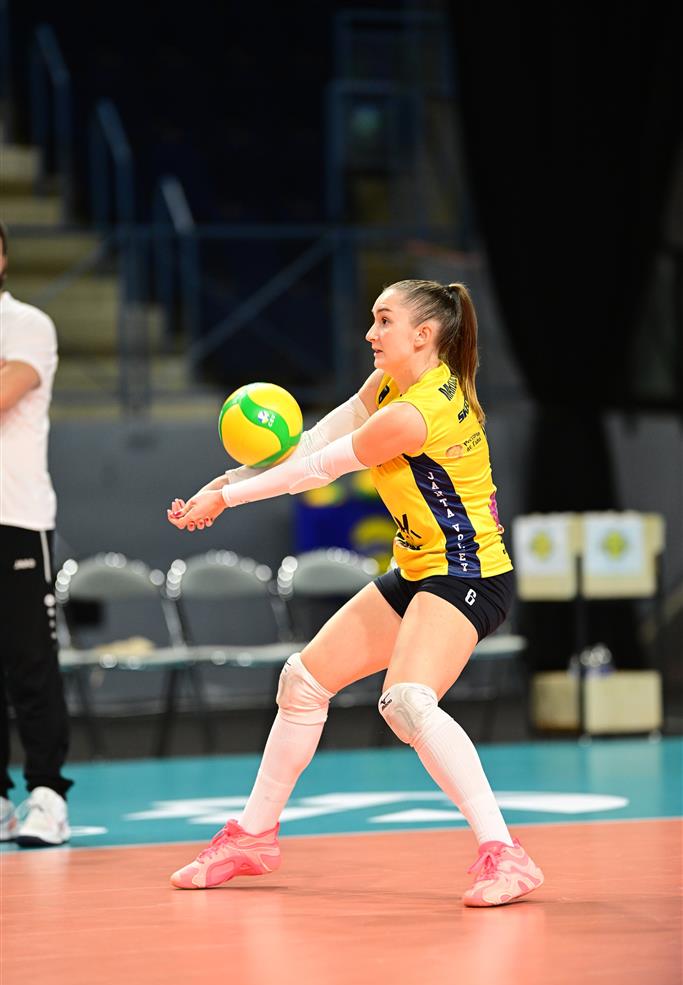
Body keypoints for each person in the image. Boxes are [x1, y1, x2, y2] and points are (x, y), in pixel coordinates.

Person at [166, 279, 543, 907]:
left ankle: (505, 854)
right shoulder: (387, 387)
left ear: (423, 334)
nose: (371, 333)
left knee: (408, 702)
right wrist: (225, 480)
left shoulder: (415, 413)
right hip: (419, 568)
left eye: (384, 320)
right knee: (303, 681)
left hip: (469, 574)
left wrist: (226, 499)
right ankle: (253, 838)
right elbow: (313, 442)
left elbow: (318, 470)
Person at [0, 221, 72, 846]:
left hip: (17, 517)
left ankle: (47, 795)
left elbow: (6, 392)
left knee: (31, 661)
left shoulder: (26, 324)